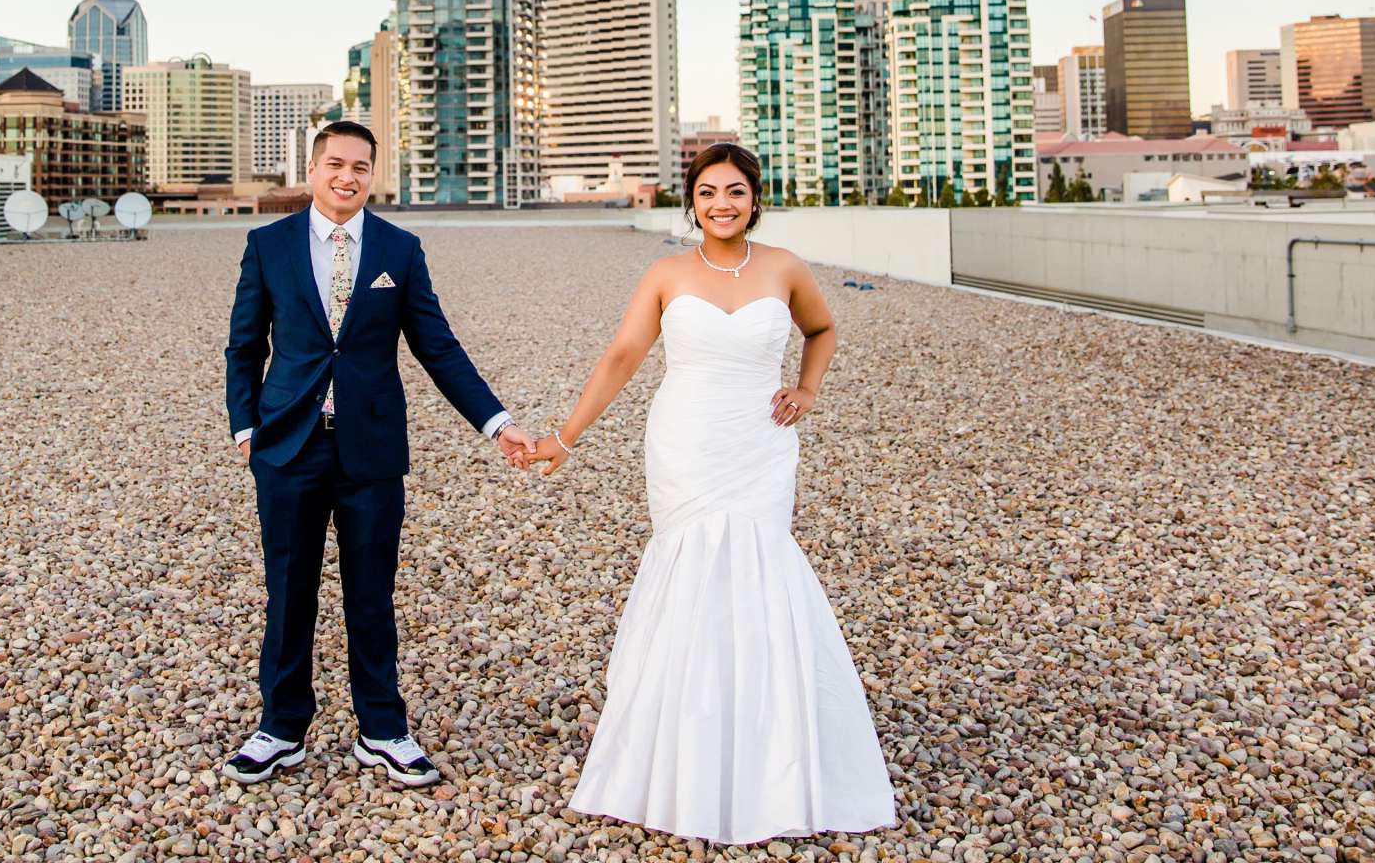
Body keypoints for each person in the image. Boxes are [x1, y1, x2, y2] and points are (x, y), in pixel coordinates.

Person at [532, 141, 898, 844]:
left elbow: (822, 330)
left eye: (734, 191)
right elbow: (622, 356)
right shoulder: (667, 273)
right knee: (693, 574)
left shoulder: (785, 268)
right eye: (707, 193)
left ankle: (772, 754)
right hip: (688, 444)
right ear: (691, 201)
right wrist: (565, 438)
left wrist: (808, 388)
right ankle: (680, 758)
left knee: (762, 573)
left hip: (761, 444)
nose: (721, 204)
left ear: (754, 198)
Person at [220, 120, 535, 789]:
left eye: (361, 167)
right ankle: (280, 728)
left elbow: (438, 347)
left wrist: (495, 421)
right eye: (335, 164)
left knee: (371, 595)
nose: (348, 177)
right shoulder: (267, 244)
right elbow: (244, 346)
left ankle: (383, 730)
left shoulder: (400, 247)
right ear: (312, 170)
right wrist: (245, 428)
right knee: (288, 592)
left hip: (371, 450)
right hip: (286, 449)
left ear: (372, 175)